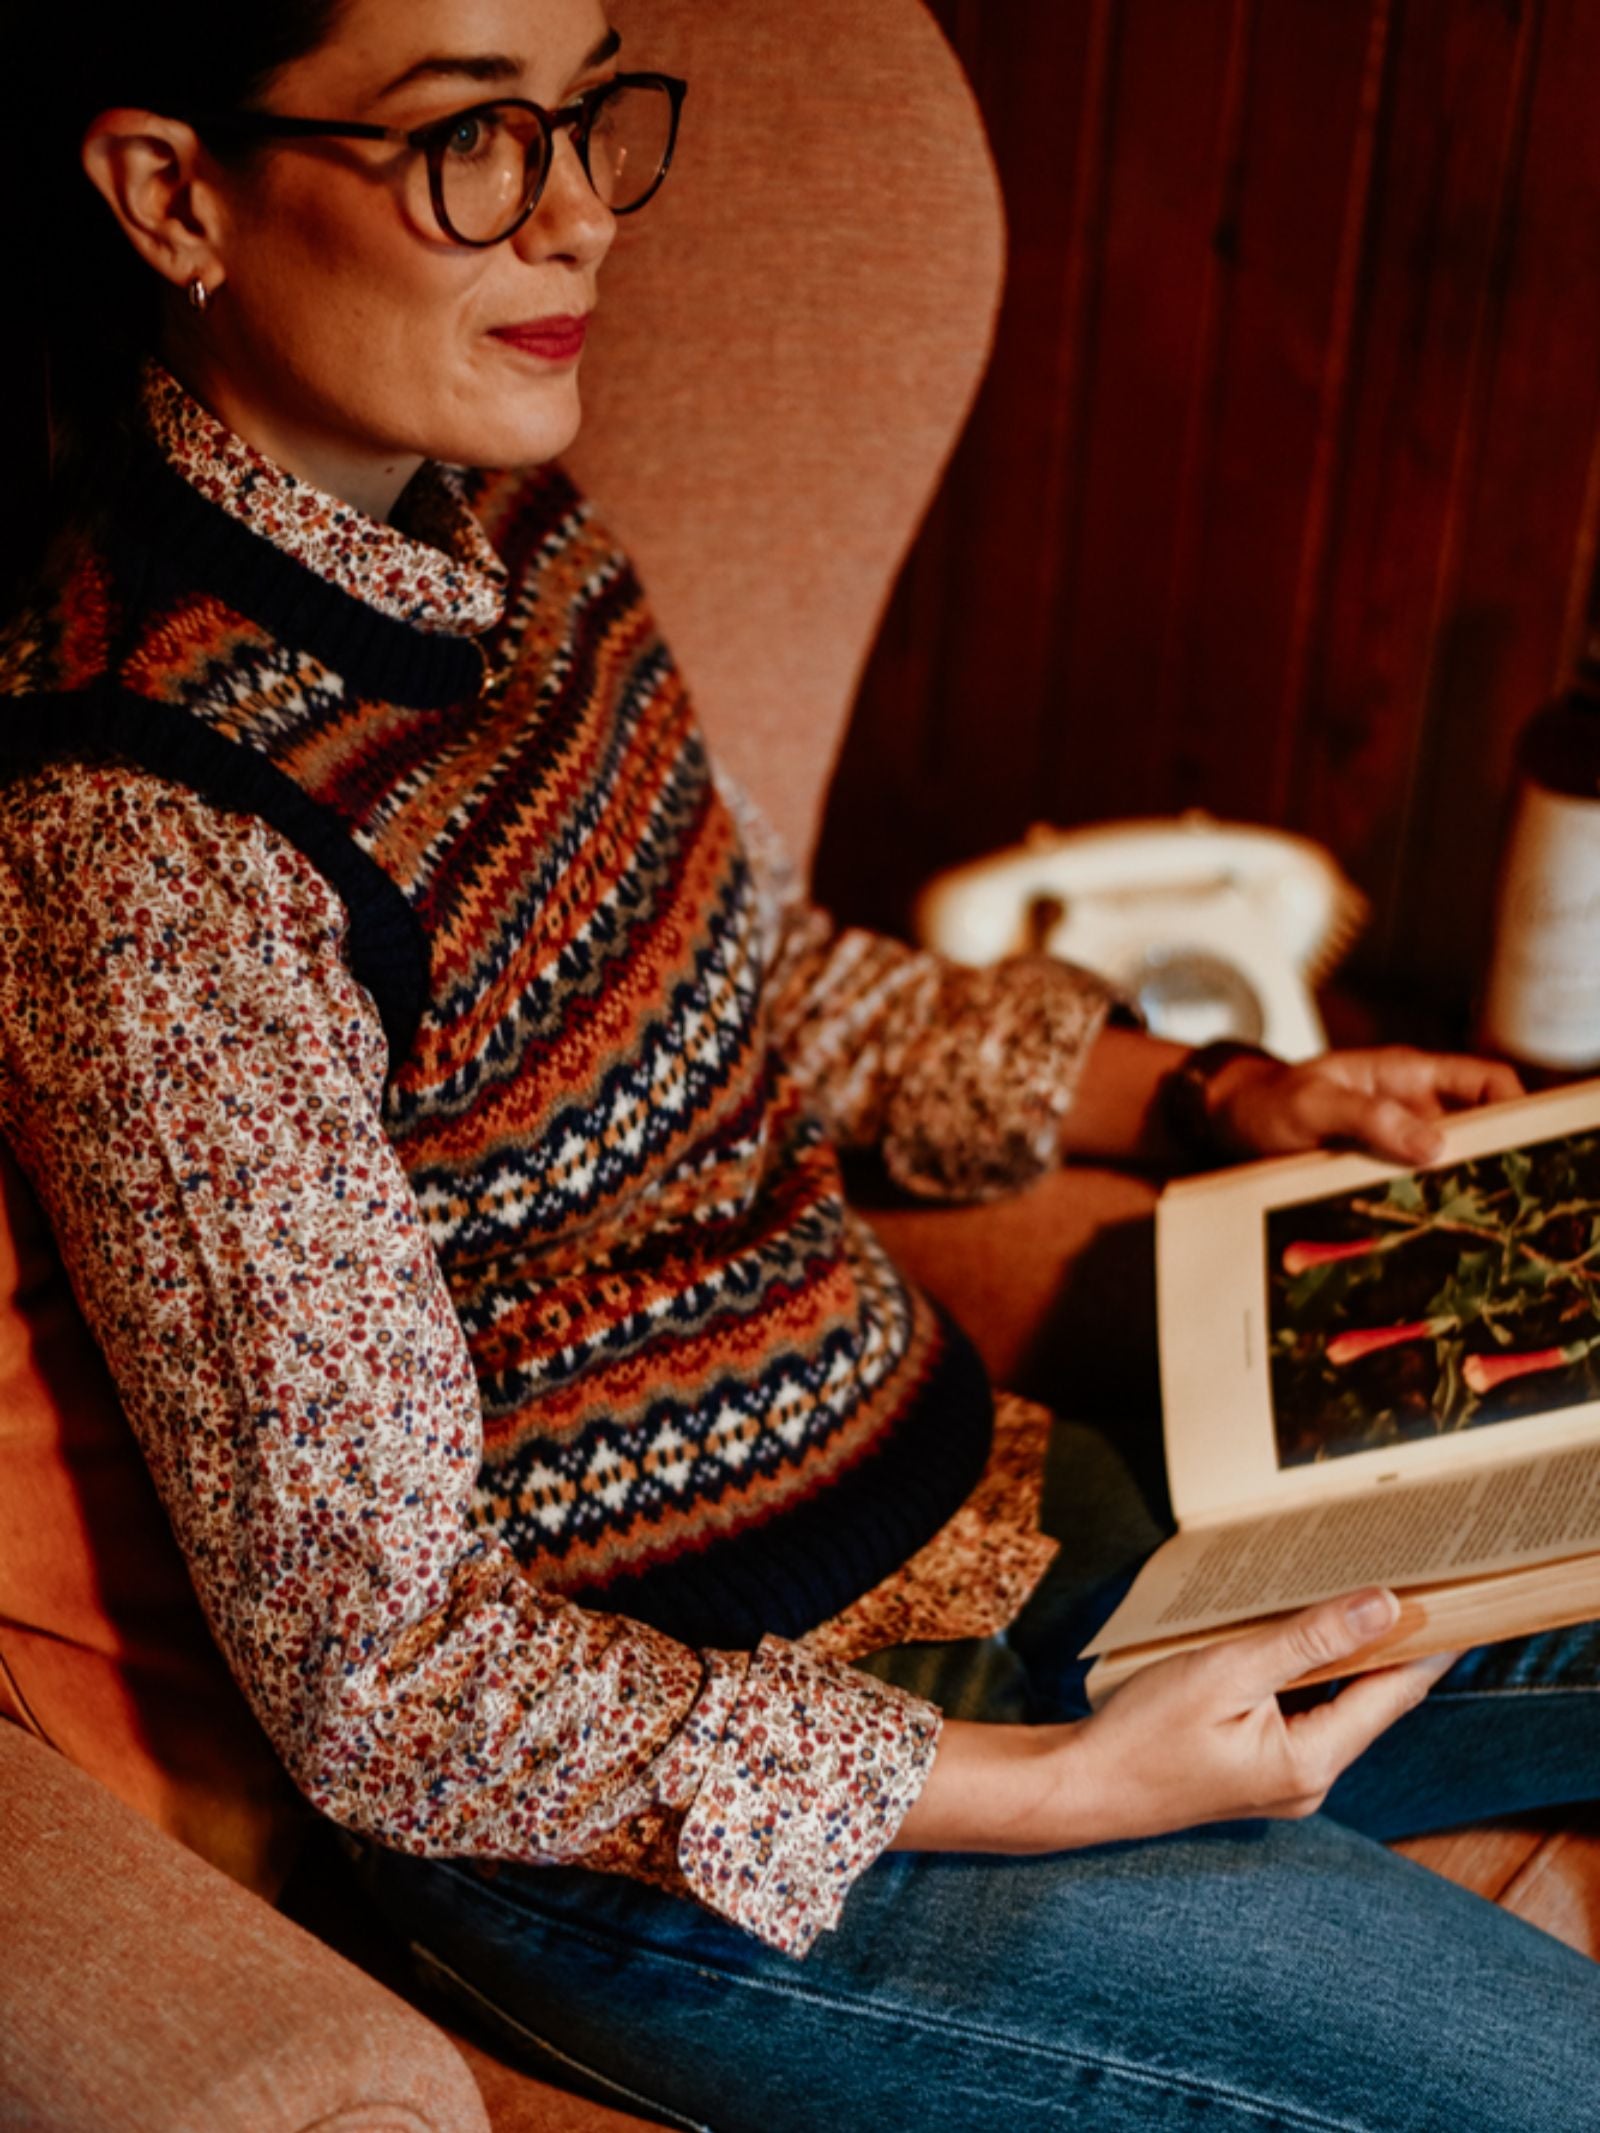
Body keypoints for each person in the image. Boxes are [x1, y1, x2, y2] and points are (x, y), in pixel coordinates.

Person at [3, 2, 1596, 2126]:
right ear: (171, 192)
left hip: (1015, 1517)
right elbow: (386, 1676)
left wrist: (1205, 1096)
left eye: (578, 112)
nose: (577, 214)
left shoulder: (507, 518)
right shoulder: (151, 828)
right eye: (467, 139)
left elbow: (740, 971)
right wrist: (1067, 1785)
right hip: (665, 1827)